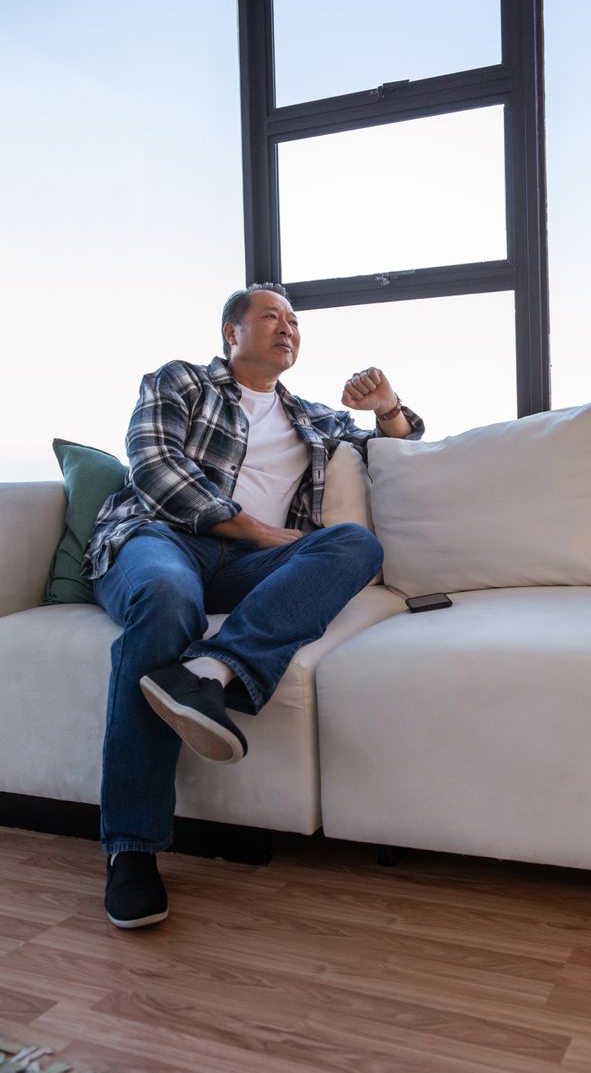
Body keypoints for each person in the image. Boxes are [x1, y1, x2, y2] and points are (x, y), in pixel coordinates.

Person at [82, 282, 424, 929]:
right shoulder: (181, 381)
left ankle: (211, 673)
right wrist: (255, 529)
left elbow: (405, 445)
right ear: (231, 333)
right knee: (163, 597)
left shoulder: (313, 417)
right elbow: (153, 465)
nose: (287, 327)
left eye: (294, 320)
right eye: (270, 315)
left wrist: (387, 407)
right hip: (160, 539)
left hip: (244, 570)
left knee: (353, 545)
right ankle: (131, 850)